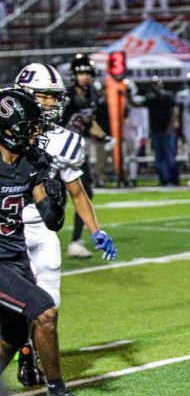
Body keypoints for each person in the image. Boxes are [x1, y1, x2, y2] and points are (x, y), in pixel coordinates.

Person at [13, 63, 117, 386]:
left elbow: (77, 191)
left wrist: (96, 230)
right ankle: (27, 355)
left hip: (44, 228)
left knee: (49, 306)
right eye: (43, 97)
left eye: (54, 97)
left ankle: (30, 356)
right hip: (9, 228)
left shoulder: (67, 141)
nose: (51, 104)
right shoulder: (6, 131)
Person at [0, 89, 95, 396]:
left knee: (12, 337)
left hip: (15, 257)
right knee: (45, 312)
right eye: (28, 127)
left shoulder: (32, 162)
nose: (36, 134)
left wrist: (54, 201)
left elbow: (53, 221)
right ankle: (56, 391)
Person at [61, 54, 108, 259]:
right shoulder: (66, 96)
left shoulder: (94, 95)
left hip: (76, 153)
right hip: (57, 152)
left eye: (87, 73)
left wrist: (105, 137)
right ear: (74, 75)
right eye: (81, 73)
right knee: (57, 200)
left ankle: (76, 241)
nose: (85, 77)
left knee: (86, 192)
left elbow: (89, 123)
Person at [144, 77, 179, 186]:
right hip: (156, 130)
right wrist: (126, 96)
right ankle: (163, 180)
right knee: (159, 157)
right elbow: (137, 105)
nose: (156, 86)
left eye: (157, 83)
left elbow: (174, 112)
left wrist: (170, 127)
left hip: (166, 130)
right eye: (154, 84)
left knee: (170, 157)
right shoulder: (150, 98)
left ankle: (173, 179)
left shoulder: (168, 96)